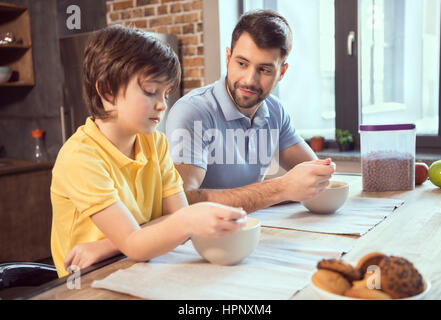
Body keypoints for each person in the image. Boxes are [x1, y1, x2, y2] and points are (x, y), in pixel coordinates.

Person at [50, 25, 246, 278]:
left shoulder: (156, 144)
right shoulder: (81, 157)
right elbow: (146, 238)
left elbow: (175, 221)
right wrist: (136, 238)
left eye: (165, 93)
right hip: (89, 281)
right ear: (107, 91)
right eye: (150, 91)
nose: (162, 104)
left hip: (138, 265)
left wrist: (109, 245)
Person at [166, 10, 335, 214]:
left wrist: (320, 173)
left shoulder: (275, 111)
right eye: (242, 64)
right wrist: (281, 188)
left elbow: (314, 173)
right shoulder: (192, 111)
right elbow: (184, 200)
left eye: (264, 70)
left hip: (255, 230)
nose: (249, 80)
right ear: (228, 58)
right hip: (201, 241)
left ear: (281, 72)